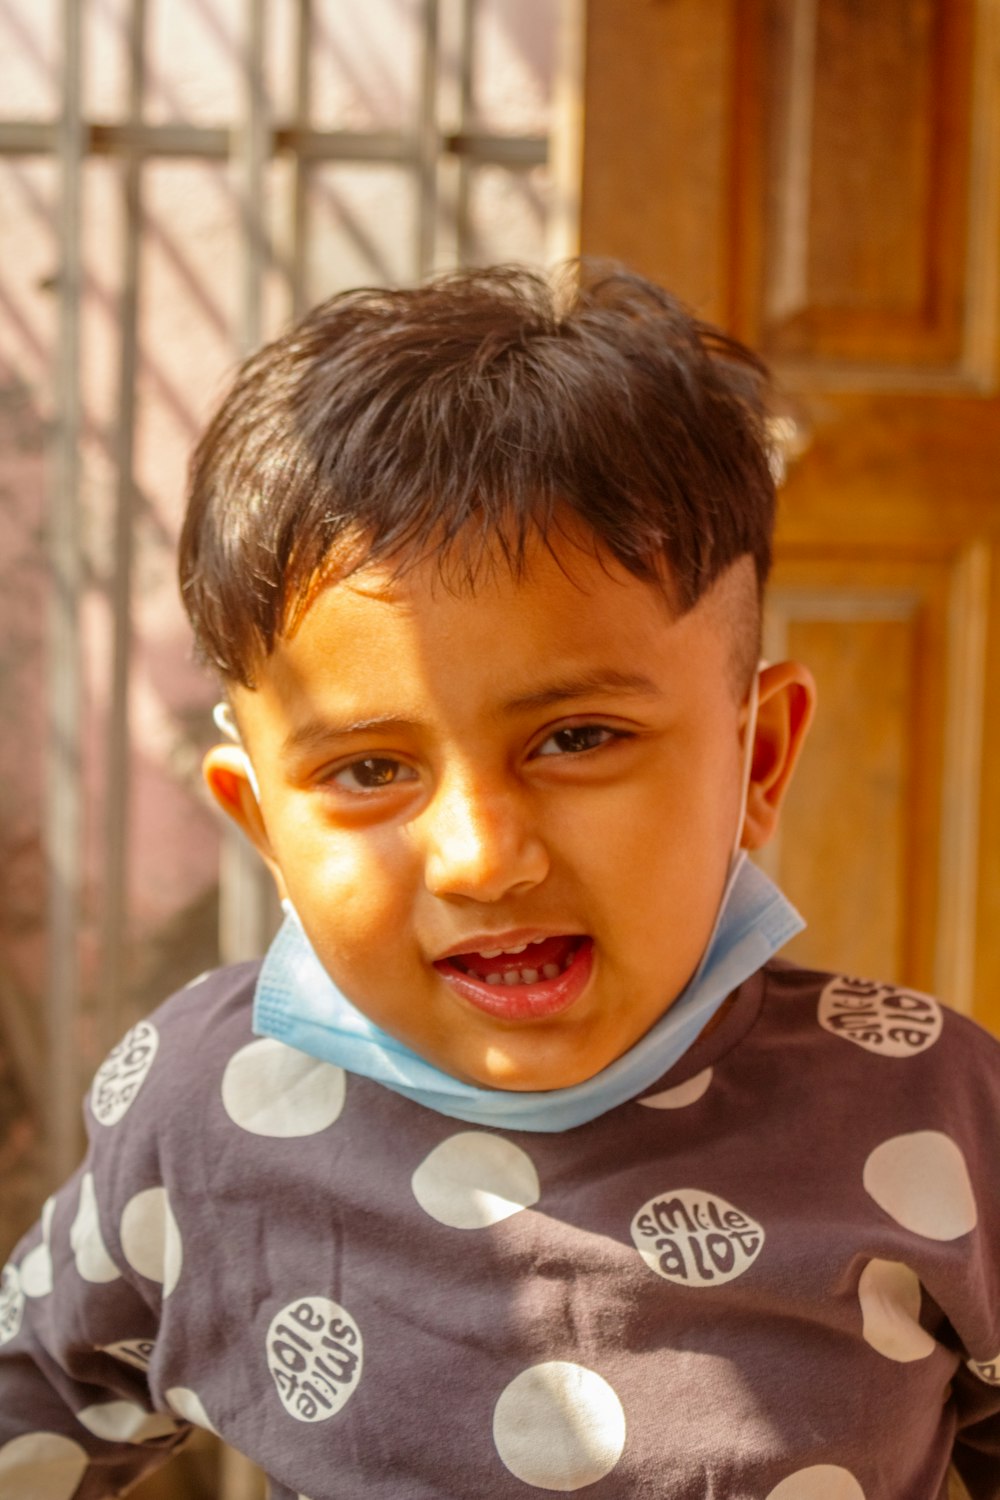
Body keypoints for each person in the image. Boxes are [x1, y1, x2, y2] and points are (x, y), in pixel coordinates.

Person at [1, 264, 998, 1500]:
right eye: (368, 769)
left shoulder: (937, 1115)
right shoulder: (203, 1110)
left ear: (761, 755)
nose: (481, 856)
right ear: (259, 822)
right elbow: (31, 1400)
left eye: (576, 738)